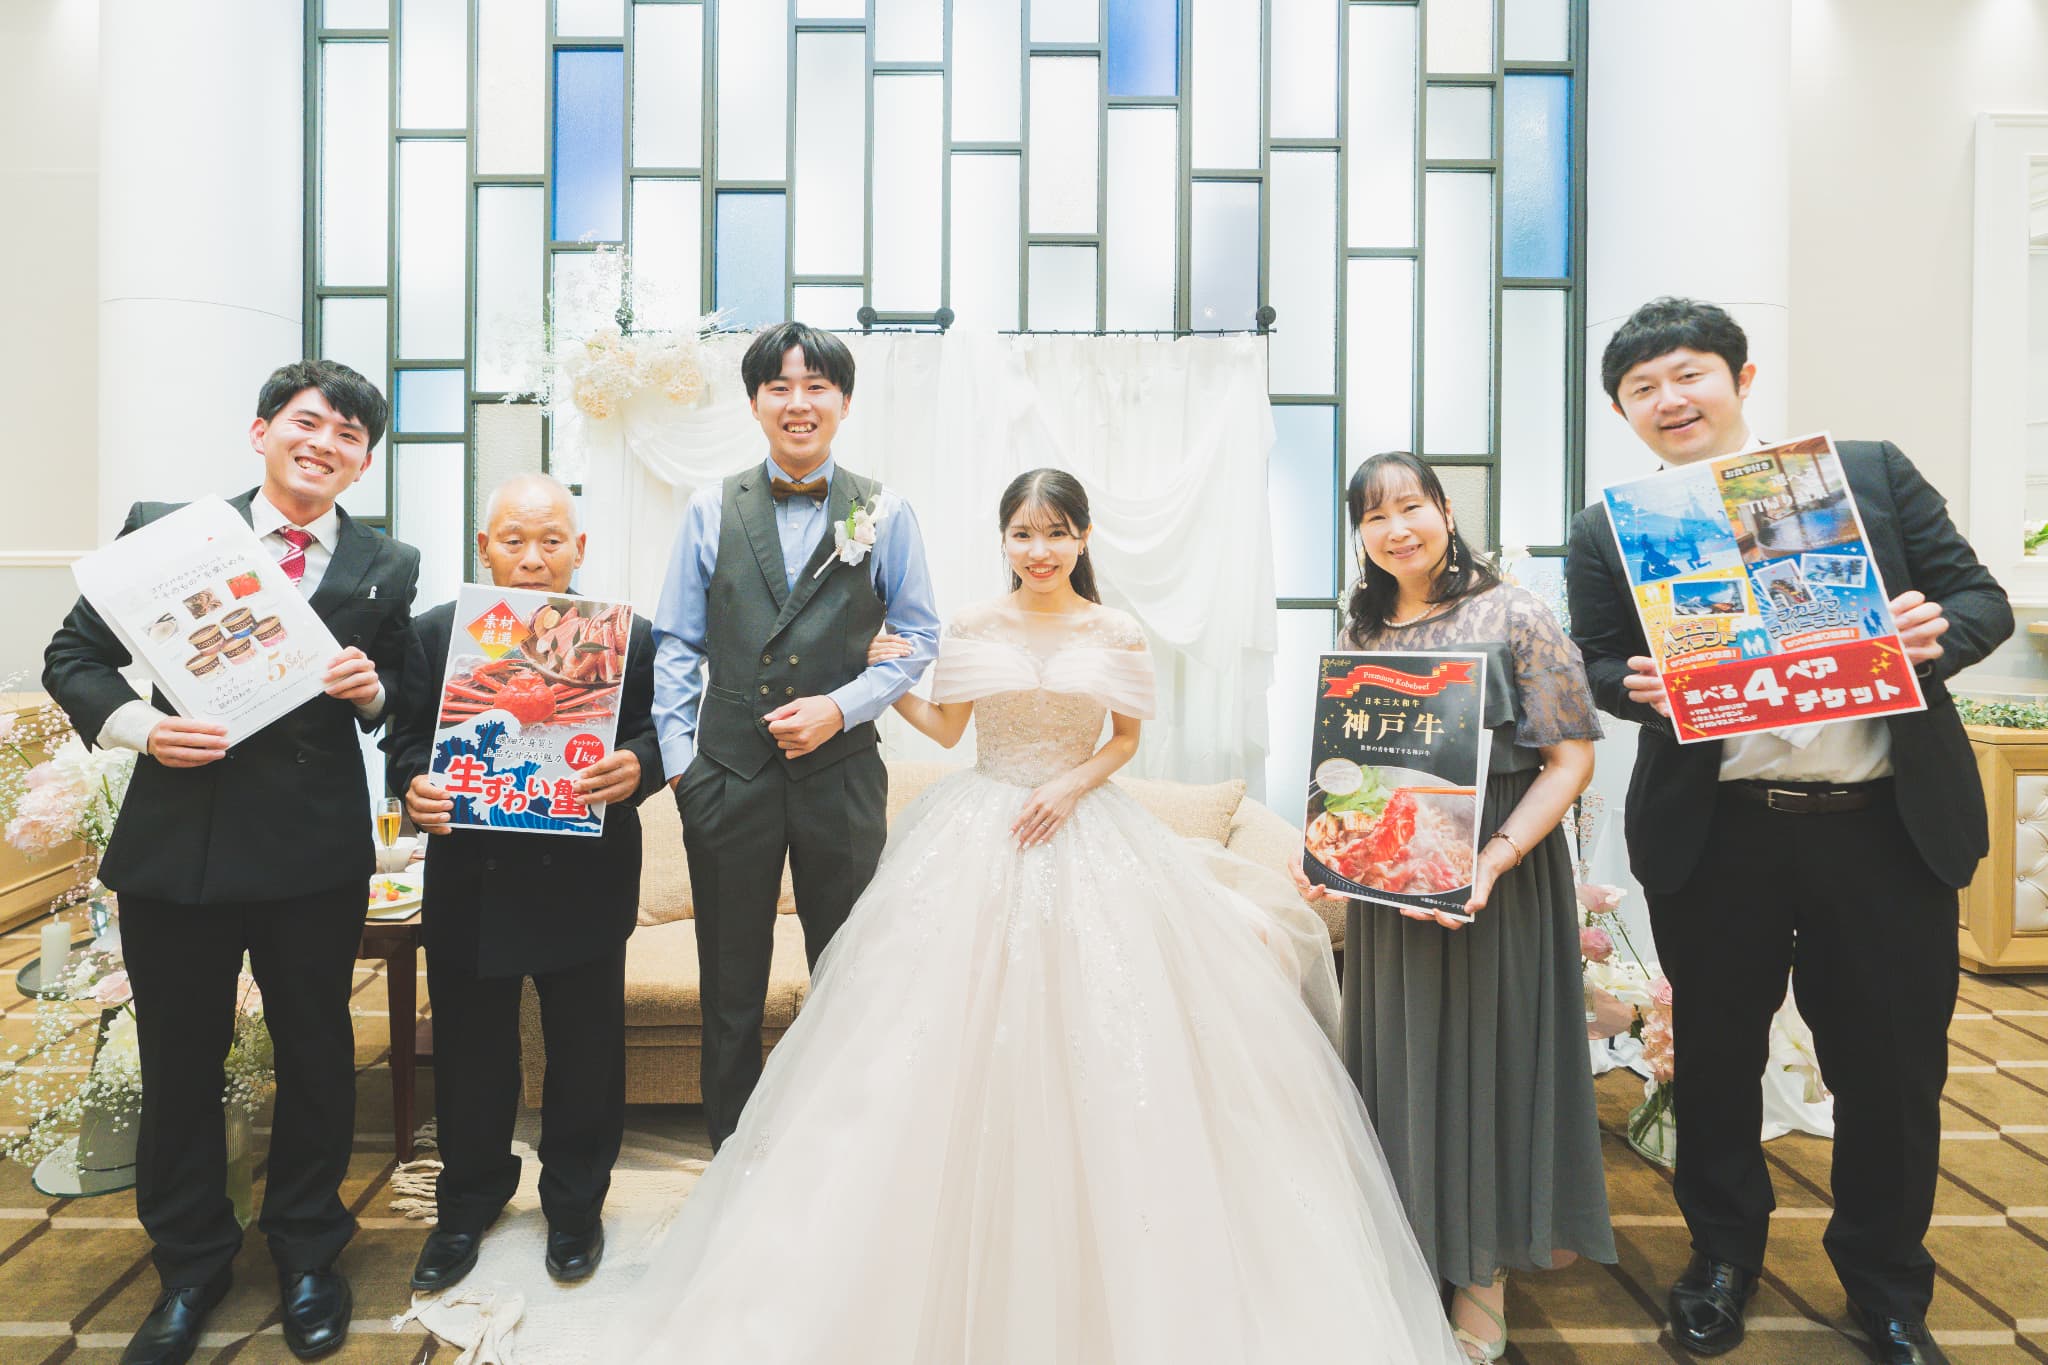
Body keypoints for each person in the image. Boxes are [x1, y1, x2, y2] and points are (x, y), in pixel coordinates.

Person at [596, 468, 1461, 1362]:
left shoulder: (1116, 629)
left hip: (1080, 822)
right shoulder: (973, 623)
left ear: (1083, 538)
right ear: (1003, 540)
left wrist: (1069, 785)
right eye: (1022, 533)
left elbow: (1125, 740)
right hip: (980, 825)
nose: (1039, 550)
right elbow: (946, 728)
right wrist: (883, 672)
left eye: (1056, 533)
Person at [1565, 297, 2012, 1365]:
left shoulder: (1864, 474)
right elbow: (1592, 660)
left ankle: (1886, 1285)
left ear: (1741, 379)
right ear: (1624, 414)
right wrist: (1630, 685)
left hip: (1882, 830)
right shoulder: (1613, 527)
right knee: (1715, 1064)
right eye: (1641, 389)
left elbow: (1980, 599)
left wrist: (1933, 633)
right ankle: (1720, 1261)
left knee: (1890, 1072)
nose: (1669, 399)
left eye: (1688, 374)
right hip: (1720, 837)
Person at [42, 360, 419, 1365]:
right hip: (183, 844)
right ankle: (190, 1265)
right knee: (178, 1060)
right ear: (261, 432)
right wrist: (141, 729)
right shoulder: (171, 532)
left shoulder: (389, 562)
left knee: (317, 1055)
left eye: (349, 435)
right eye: (308, 421)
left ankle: (307, 1252)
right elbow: (71, 657)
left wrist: (372, 693)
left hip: (313, 853)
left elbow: (401, 696)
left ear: (363, 463)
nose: (325, 443)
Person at [1292, 451, 1615, 1362]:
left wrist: (1495, 858)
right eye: (1374, 516)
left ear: (1444, 508)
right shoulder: (1362, 622)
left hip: (1493, 877)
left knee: (1488, 1058)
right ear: (1360, 534)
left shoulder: (1514, 611)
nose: (1396, 529)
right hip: (1394, 884)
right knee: (1400, 1055)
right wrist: (1324, 850)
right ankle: (1408, 1242)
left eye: (1411, 506)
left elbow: (1571, 760)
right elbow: (1352, 764)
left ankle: (1481, 1268)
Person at [651, 320, 942, 1151]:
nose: (798, 402)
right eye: (779, 386)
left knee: (850, 978)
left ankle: (845, 1157)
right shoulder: (710, 507)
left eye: (816, 385)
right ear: (754, 403)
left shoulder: (884, 511)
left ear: (844, 401)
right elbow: (677, 643)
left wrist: (840, 707)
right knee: (729, 987)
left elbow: (919, 637)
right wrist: (682, 768)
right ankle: (732, 1160)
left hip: (841, 777)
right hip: (727, 777)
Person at [383, 474, 662, 1294]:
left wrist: (637, 765)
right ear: (486, 548)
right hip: (473, 880)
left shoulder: (627, 637)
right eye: (514, 540)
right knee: (471, 1054)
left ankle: (575, 1206)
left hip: (585, 876)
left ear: (580, 548)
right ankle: (466, 1205)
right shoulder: (437, 633)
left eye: (551, 541)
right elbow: (405, 743)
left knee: (585, 1054)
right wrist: (413, 784)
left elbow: (657, 731)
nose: (533, 557)